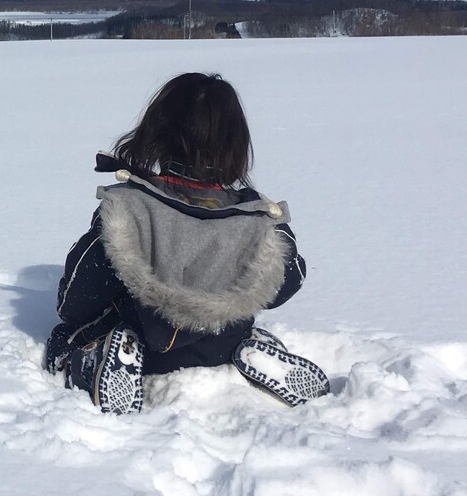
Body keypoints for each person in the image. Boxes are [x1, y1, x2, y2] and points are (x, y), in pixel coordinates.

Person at [45, 72, 329, 414]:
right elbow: (288, 280)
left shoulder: (130, 206)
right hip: (222, 341)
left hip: (147, 344)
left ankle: (101, 357)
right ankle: (248, 348)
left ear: (157, 133)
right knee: (234, 318)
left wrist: (68, 310)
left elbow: (80, 297)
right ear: (235, 144)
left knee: (65, 337)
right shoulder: (256, 217)